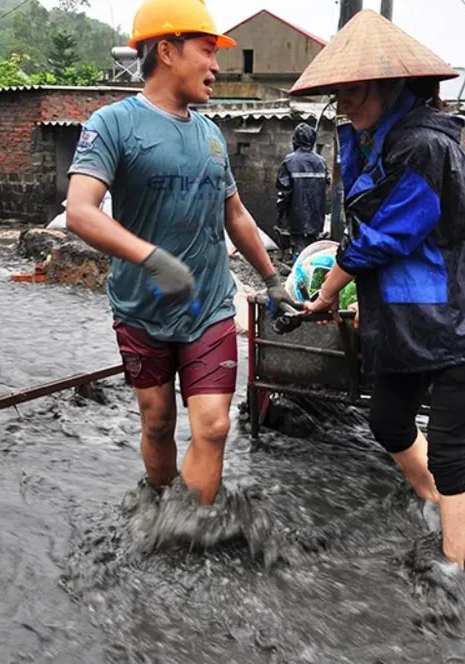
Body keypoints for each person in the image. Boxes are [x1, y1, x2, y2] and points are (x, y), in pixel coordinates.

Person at [289, 10, 465, 570]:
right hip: (408, 316)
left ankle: (453, 568)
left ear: (393, 86)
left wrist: (329, 286)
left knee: (449, 447)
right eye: (338, 93)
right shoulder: (372, 141)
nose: (344, 102)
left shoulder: (423, 147)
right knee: (387, 422)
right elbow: (369, 231)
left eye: (355, 90)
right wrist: (332, 284)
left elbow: (385, 236)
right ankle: (431, 499)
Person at [64, 0, 298, 505]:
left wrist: (272, 278)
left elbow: (235, 215)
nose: (217, 67)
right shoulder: (112, 124)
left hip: (208, 307)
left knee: (212, 427)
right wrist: (152, 258)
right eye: (208, 51)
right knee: (158, 420)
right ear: (166, 51)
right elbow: (80, 211)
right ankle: (162, 509)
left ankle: (193, 530)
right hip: (140, 306)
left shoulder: (211, 135)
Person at [275, 122, 330, 264]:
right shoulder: (321, 162)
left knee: (298, 245)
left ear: (295, 140)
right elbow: (326, 184)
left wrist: (281, 211)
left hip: (296, 214)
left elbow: (284, 189)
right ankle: (310, 271)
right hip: (317, 214)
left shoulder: (290, 161)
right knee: (312, 247)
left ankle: (299, 272)